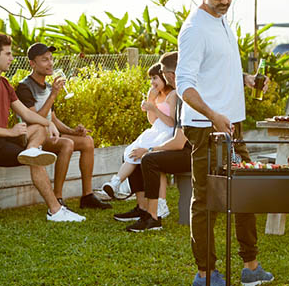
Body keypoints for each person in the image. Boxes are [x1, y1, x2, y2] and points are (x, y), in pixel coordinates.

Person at [176, 0, 274, 286]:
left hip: (231, 125)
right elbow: (184, 86)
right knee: (206, 201)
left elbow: (215, 71)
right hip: (206, 127)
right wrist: (213, 114)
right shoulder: (194, 29)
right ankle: (204, 275)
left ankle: (250, 268)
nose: (225, 0)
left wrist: (245, 80)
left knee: (245, 191)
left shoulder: (222, 21)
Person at [0, 33, 85, 222]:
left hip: (1, 141)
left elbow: (27, 114)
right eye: (8, 54)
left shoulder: (3, 84)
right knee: (34, 159)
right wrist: (10, 132)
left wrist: (49, 123)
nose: (12, 58)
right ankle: (55, 210)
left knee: (38, 127)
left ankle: (31, 152)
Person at [15, 43, 111, 210]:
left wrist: (73, 131)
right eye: (44, 60)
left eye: (51, 59)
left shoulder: (48, 86)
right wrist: (53, 95)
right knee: (67, 144)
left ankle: (87, 196)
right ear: (32, 64)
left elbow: (52, 118)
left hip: (49, 135)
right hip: (32, 137)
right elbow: (33, 120)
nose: (50, 63)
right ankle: (57, 197)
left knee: (87, 141)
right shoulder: (24, 87)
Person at [123, 52, 193, 233]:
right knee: (137, 154)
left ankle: (153, 218)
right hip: (187, 150)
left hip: (194, 154)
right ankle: (145, 210)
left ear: (171, 75)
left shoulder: (186, 98)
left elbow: (179, 143)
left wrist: (150, 149)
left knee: (148, 158)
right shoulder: (183, 95)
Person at [102, 62, 176, 217]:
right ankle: (116, 182)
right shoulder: (157, 95)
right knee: (132, 151)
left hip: (167, 133)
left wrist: (154, 108)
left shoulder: (172, 95)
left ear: (164, 77)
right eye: (151, 79)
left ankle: (158, 205)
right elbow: (152, 120)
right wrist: (151, 102)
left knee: (148, 157)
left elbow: (172, 122)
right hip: (156, 130)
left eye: (155, 78)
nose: (152, 82)